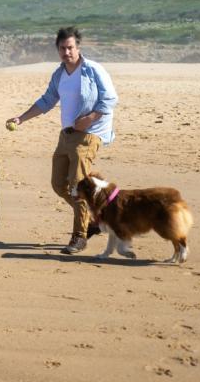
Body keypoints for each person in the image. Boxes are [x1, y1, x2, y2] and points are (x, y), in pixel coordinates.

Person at [6, 26, 118, 254]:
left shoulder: (93, 70)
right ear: (57, 50)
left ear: (78, 48)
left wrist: (90, 118)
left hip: (89, 135)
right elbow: (47, 100)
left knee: (78, 185)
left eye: (70, 48)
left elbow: (110, 99)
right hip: (66, 135)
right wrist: (21, 118)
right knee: (59, 184)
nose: (66, 52)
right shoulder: (59, 74)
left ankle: (80, 236)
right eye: (62, 49)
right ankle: (93, 221)